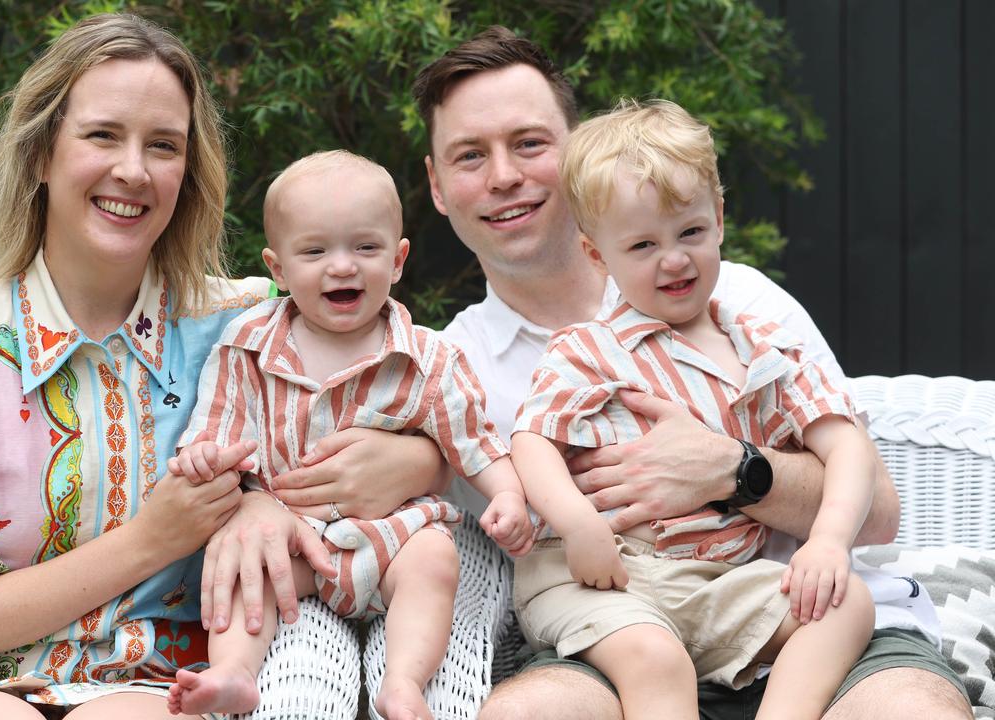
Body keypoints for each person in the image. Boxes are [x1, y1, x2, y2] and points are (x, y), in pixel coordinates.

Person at [0, 14, 436, 720]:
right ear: (41, 154)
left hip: (160, 685)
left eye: (163, 145)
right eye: (101, 135)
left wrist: (418, 463)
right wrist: (152, 540)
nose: (133, 169)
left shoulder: (251, 325)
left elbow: (416, 388)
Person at [413, 25, 971, 720]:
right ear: (437, 186)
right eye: (471, 155)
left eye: (529, 143)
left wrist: (733, 470)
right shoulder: (445, 363)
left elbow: (878, 509)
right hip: (619, 625)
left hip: (786, 607)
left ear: (577, 150)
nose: (503, 176)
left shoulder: (744, 307)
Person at [508, 97, 876, 720]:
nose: (674, 258)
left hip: (717, 582)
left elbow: (848, 447)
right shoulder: (591, 349)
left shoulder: (767, 346)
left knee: (848, 605)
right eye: (643, 244)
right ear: (598, 255)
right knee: (656, 661)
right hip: (605, 574)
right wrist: (578, 524)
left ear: (721, 219)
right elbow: (532, 442)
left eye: (690, 233)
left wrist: (831, 541)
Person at [163, 151, 533, 720]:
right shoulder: (248, 346)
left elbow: (475, 442)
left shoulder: (428, 358)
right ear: (278, 268)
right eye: (314, 251)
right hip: (295, 540)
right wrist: (206, 457)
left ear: (399, 259)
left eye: (365, 248)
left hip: (394, 538)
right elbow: (218, 428)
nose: (342, 267)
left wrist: (507, 496)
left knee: (435, 558)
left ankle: (404, 681)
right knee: (247, 570)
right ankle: (234, 673)